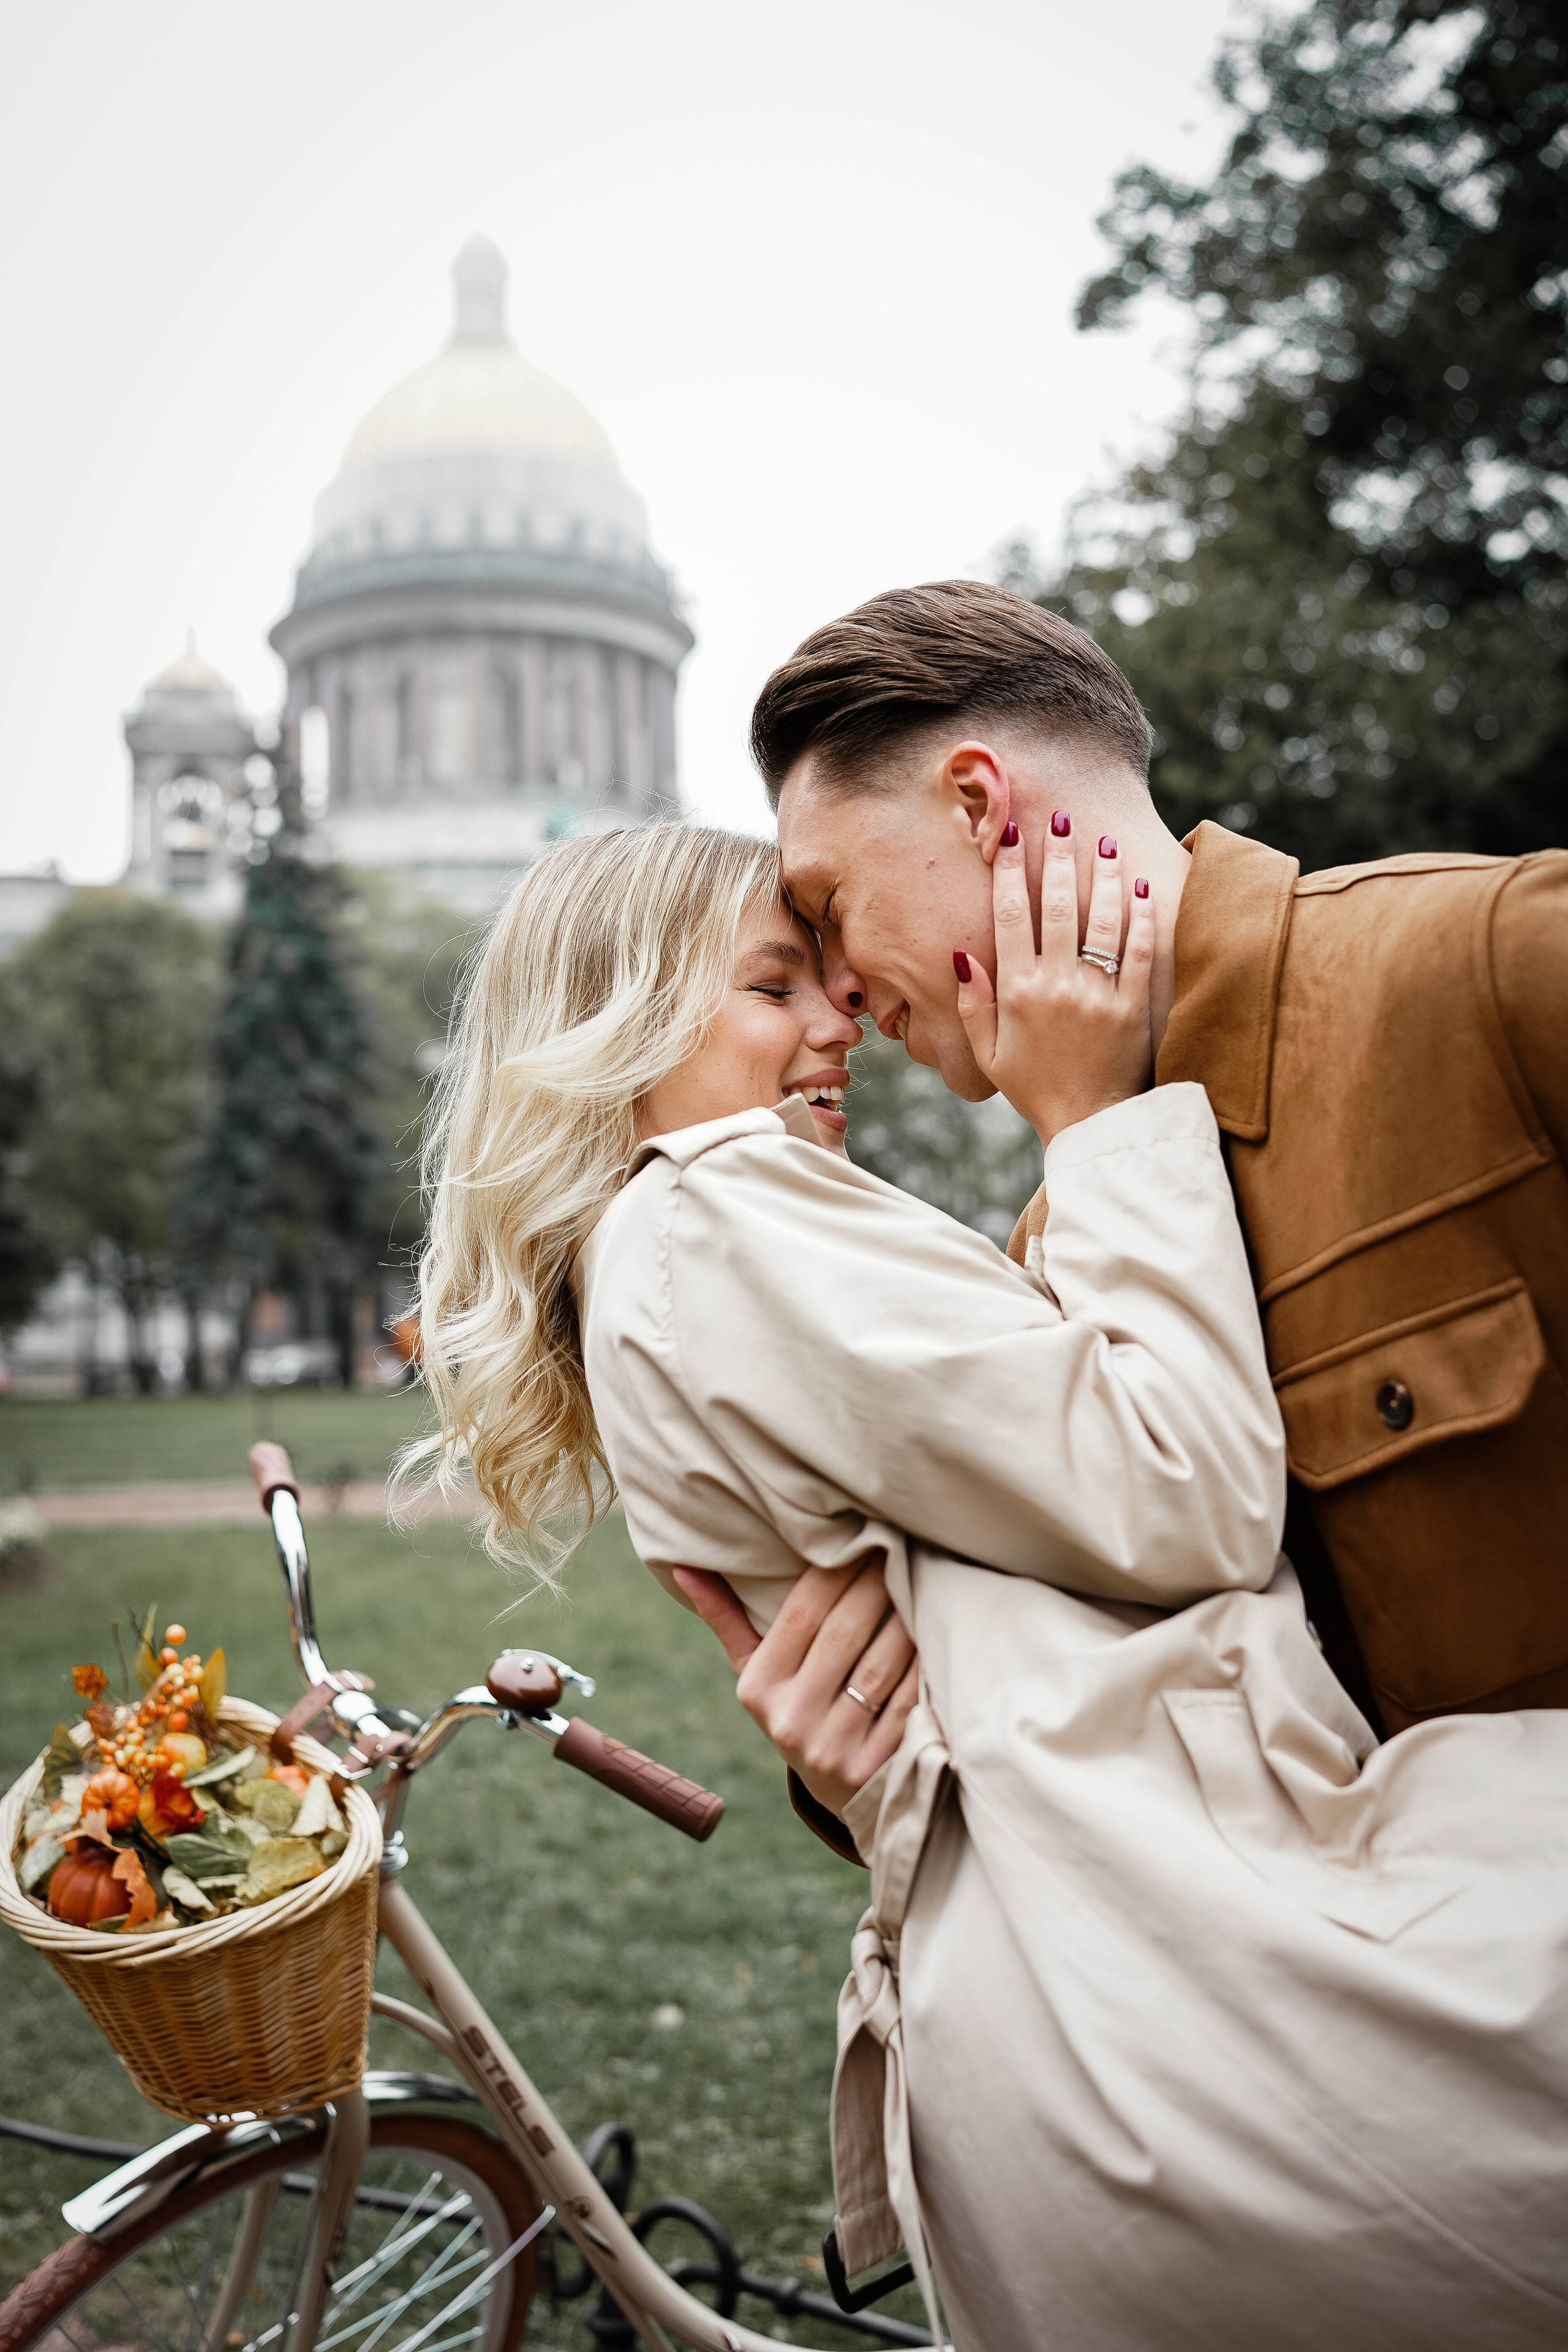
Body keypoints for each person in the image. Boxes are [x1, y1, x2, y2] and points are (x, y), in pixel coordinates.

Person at [407, 821, 1568, 2350]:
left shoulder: (659, 1263)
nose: (838, 1025)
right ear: (614, 1027)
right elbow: (1188, 1492)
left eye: (828, 981)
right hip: (1207, 1994)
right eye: (771, 986)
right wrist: (1092, 1117)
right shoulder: (713, 1206)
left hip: (1066, 2032)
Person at [696, 578, 1568, 1869]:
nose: (831, 993)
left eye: (827, 910)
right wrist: (856, 1757)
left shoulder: (1482, 965)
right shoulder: (1050, 1251)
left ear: (979, 806)